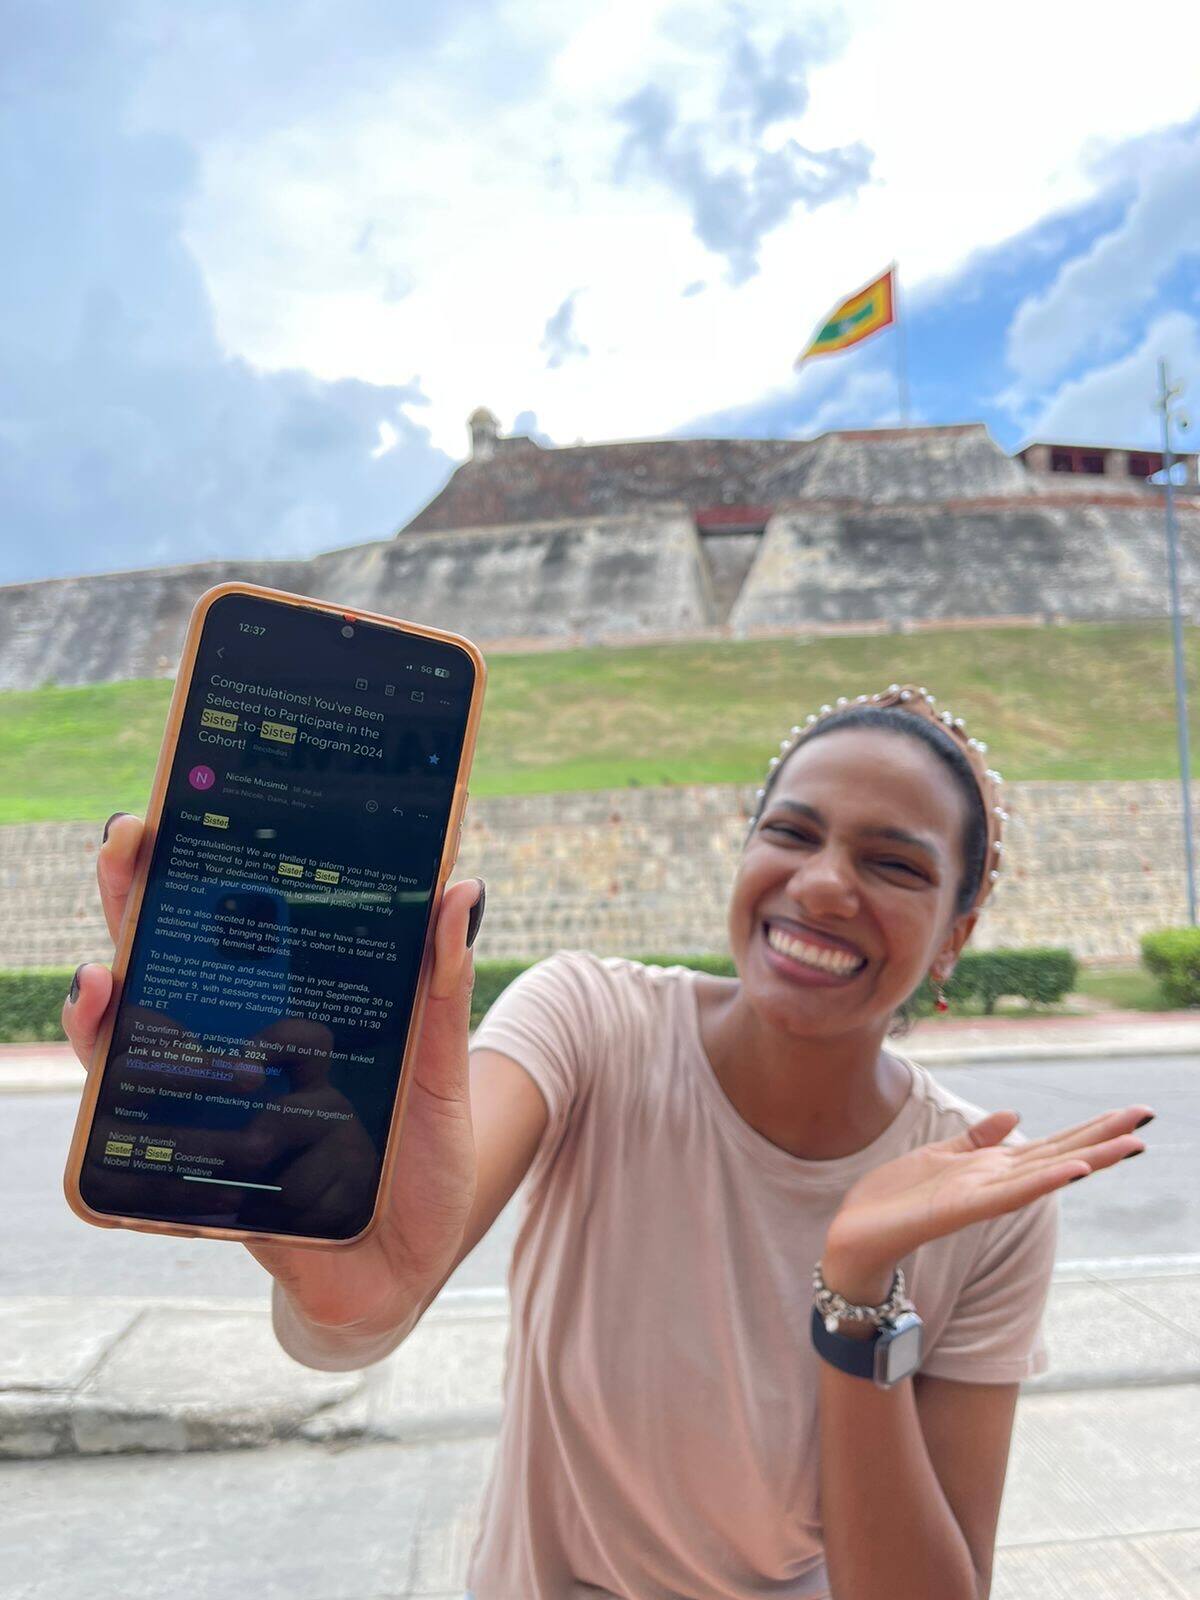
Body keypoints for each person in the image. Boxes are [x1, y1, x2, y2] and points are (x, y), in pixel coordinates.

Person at [64, 683, 1154, 1600]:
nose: (822, 883)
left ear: (959, 935)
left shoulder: (982, 1191)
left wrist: (857, 1284)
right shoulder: (590, 1017)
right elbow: (368, 1303)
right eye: (791, 830)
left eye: (897, 865)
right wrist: (356, 1268)